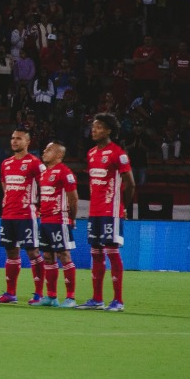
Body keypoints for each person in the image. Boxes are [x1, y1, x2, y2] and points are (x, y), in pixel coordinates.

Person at [80, 113, 135, 311]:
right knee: (95, 252)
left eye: (100, 127)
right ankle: (97, 299)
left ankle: (118, 300)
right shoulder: (91, 153)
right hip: (94, 211)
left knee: (112, 252)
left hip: (111, 211)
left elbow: (130, 184)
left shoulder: (117, 153)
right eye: (93, 127)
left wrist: (123, 207)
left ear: (109, 130)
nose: (94, 130)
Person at [0, 128, 45, 304]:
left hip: (27, 214)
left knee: (32, 251)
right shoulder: (6, 163)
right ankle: (10, 293)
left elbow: (45, 186)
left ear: (28, 142)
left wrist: (38, 207)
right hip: (8, 214)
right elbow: (4, 184)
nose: (14, 141)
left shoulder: (35, 163)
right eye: (13, 138)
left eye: (19, 139)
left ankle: (39, 294)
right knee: (11, 252)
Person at [36, 140, 80, 307]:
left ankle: (70, 297)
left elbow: (73, 198)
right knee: (47, 257)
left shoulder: (64, 172)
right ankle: (51, 296)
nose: (44, 151)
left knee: (64, 255)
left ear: (59, 155)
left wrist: (72, 218)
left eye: (49, 150)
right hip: (45, 220)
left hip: (59, 220)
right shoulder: (44, 173)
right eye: (45, 148)